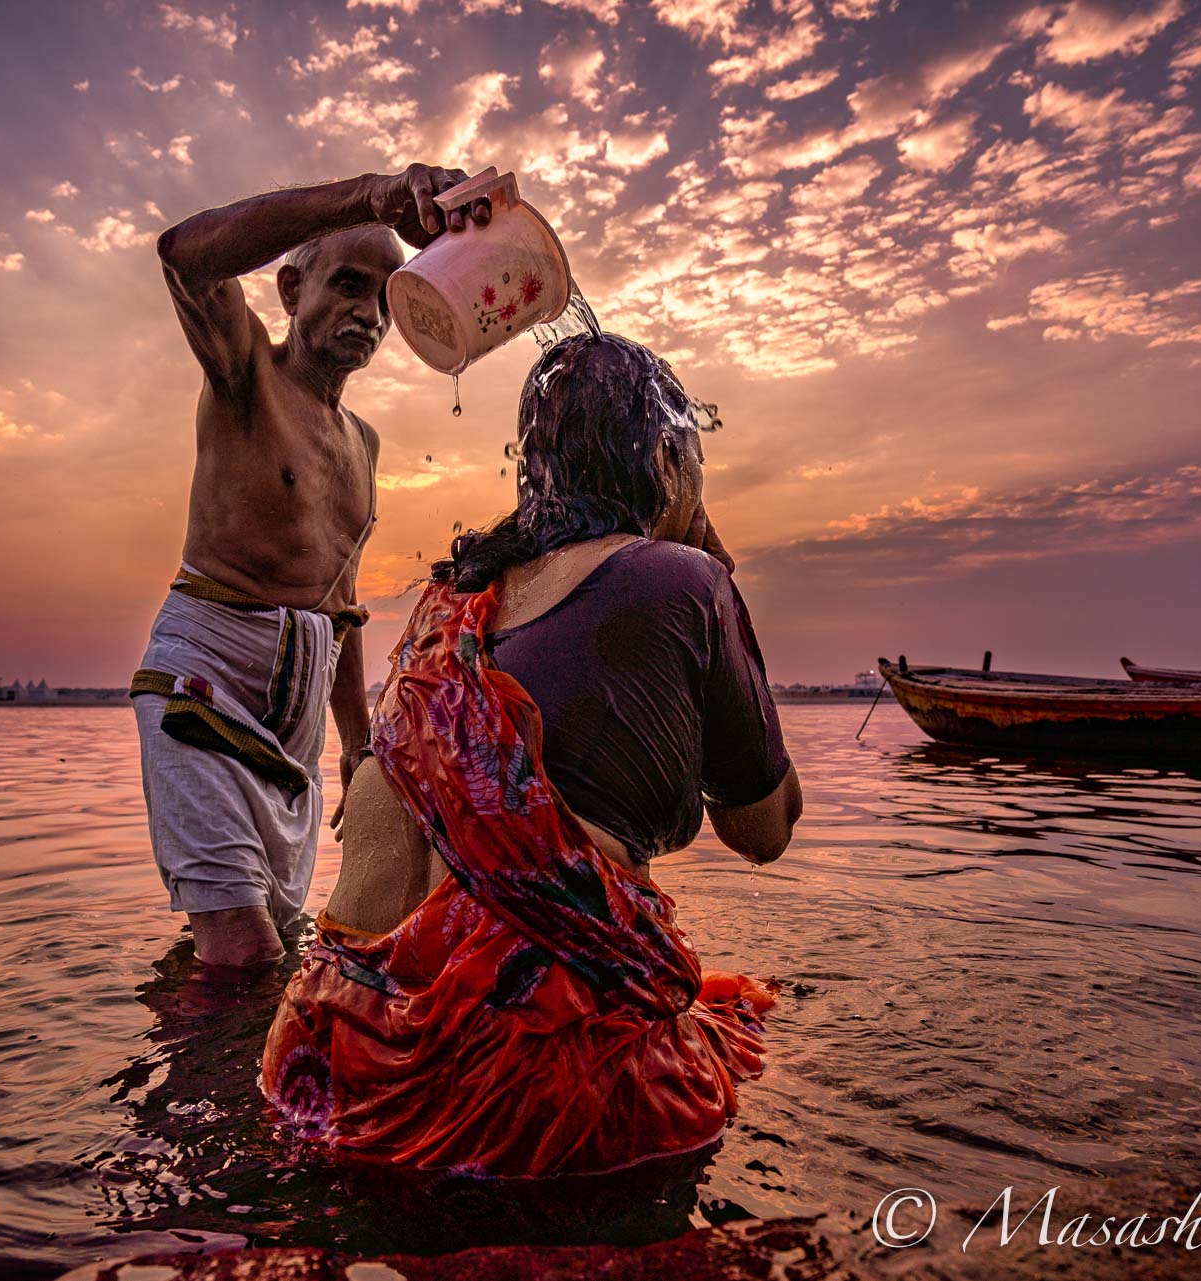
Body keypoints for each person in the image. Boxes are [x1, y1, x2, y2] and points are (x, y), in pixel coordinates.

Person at [261, 333, 803, 1178]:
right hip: (517, 1088)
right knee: (751, 1032)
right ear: (666, 457)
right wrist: (716, 581)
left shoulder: (452, 602)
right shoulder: (682, 580)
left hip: (325, 1058)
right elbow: (766, 827)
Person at [133, 166, 492, 970]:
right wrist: (370, 196)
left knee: (276, 939)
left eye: (383, 300)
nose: (366, 316)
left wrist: (358, 745)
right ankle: (232, 1090)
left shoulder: (362, 445)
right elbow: (182, 253)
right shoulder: (245, 376)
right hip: (207, 680)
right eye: (348, 286)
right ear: (292, 289)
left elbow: (341, 603)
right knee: (245, 950)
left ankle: (204, 1078)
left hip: (295, 713)